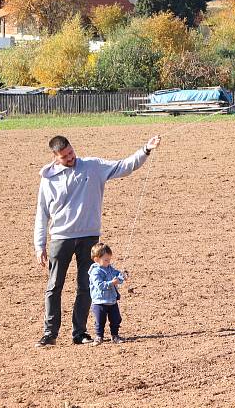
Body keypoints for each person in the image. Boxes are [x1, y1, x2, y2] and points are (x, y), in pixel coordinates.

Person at [34, 134, 161, 347]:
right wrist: (40, 245)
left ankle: (80, 333)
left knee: (86, 285)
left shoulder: (93, 166)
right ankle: (50, 333)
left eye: (71, 152)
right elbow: (42, 213)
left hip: (88, 237)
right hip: (60, 238)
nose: (70, 157)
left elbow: (124, 166)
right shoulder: (48, 180)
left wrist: (146, 150)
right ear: (55, 157)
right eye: (65, 156)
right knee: (54, 286)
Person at [88, 242, 127, 345]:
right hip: (99, 302)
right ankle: (99, 337)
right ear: (96, 259)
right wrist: (112, 283)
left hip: (112, 300)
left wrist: (122, 276)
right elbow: (100, 285)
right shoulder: (95, 272)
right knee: (100, 321)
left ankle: (115, 336)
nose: (108, 262)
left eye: (109, 259)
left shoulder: (109, 268)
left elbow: (117, 274)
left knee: (116, 319)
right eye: (106, 260)